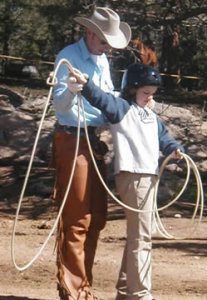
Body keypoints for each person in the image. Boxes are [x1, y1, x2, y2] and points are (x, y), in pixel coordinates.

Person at [69, 63, 185, 300]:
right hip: (133, 176)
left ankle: (126, 290)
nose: (149, 97)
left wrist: (176, 150)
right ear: (132, 90)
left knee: (139, 234)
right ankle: (140, 293)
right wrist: (86, 84)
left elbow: (166, 140)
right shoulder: (121, 108)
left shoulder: (151, 117)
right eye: (145, 93)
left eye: (152, 93)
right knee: (142, 237)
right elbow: (101, 98)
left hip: (148, 178)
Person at [52, 6, 131, 300]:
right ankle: (73, 290)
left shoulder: (101, 61)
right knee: (77, 217)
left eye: (110, 42)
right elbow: (59, 107)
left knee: (96, 217)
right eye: (104, 41)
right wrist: (71, 90)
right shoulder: (67, 57)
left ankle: (82, 285)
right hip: (72, 138)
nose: (108, 47)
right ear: (90, 33)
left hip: (94, 140)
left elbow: (106, 99)